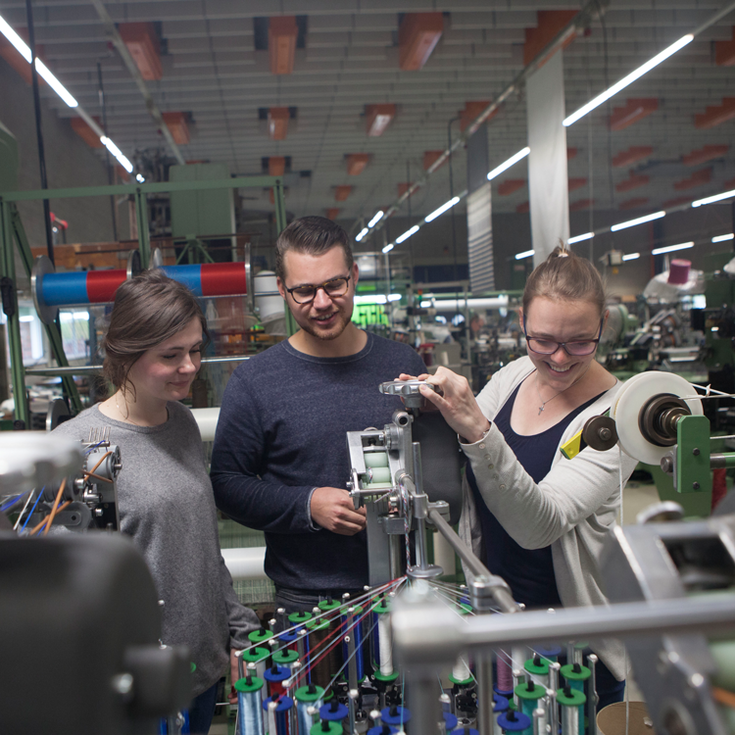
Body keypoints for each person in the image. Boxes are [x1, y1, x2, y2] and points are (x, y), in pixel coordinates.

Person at [403, 246, 638, 709]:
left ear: (603, 325)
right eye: (543, 340)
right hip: (501, 623)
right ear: (521, 323)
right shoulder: (515, 375)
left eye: (579, 342)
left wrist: (473, 424)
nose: (559, 358)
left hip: (575, 644)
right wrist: (438, 409)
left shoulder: (618, 417)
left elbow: (540, 525)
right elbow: (468, 449)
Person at [54, 270, 259, 734]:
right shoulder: (89, 449)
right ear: (126, 355)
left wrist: (238, 630)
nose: (190, 366)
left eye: (194, 349)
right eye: (171, 355)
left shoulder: (182, 422)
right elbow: (87, 590)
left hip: (202, 671)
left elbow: (202, 543)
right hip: (143, 692)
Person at [210, 216, 426, 612]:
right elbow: (227, 485)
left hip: (403, 585)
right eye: (304, 291)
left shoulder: (402, 364)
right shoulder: (256, 382)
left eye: (334, 285)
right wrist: (306, 505)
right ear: (281, 289)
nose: (322, 303)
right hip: (307, 601)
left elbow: (431, 463)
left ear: (354, 276)